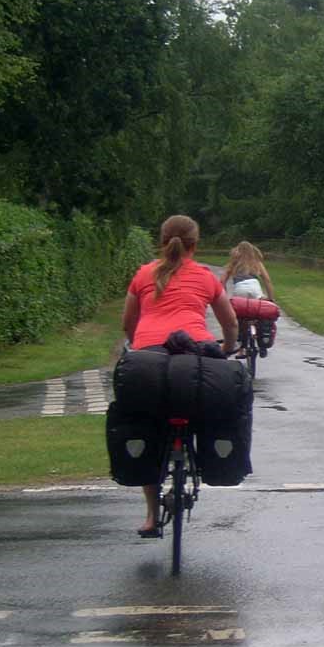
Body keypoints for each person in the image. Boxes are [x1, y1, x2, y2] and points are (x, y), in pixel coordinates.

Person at [122, 214, 238, 537]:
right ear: (195, 244)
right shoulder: (205, 277)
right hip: (195, 357)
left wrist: (138, 345)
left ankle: (150, 516)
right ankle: (204, 458)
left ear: (161, 241)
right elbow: (229, 324)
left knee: (146, 426)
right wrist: (227, 348)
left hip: (148, 359)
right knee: (205, 412)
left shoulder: (144, 274)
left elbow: (128, 323)